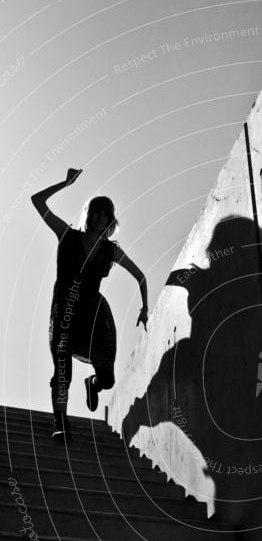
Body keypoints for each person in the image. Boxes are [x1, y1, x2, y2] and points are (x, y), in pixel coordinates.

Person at [31, 168, 148, 441]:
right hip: (65, 310)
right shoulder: (66, 235)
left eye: (104, 213)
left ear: (110, 220)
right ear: (88, 214)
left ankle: (93, 383)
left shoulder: (111, 251)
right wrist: (65, 182)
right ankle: (60, 422)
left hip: (95, 314)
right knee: (62, 370)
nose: (98, 216)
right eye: (94, 211)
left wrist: (144, 306)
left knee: (107, 378)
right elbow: (37, 201)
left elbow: (140, 275)